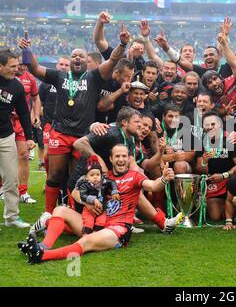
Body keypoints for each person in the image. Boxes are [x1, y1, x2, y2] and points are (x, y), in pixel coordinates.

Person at [19, 24, 132, 214]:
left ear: (87, 62)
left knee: (77, 177)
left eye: (81, 56)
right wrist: (26, 51)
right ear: (70, 60)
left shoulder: (94, 77)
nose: (77, 58)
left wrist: (122, 44)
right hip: (60, 133)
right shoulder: (59, 75)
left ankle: (74, 214)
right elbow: (35, 68)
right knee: (55, 175)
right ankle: (48, 214)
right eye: (74, 56)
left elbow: (113, 60)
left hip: (83, 137)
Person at [19, 144, 180, 264]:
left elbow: (153, 185)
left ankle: (41, 256)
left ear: (129, 158)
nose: (121, 159)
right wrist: (87, 202)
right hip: (97, 223)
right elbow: (76, 191)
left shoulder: (135, 176)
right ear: (111, 159)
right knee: (60, 210)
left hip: (117, 230)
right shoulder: (103, 177)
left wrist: (164, 178)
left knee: (85, 242)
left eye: (124, 156)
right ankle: (44, 246)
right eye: (117, 156)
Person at [0, 49, 35, 228]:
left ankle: (12, 217)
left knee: (11, 178)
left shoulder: (17, 86)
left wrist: (29, 137)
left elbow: (23, 113)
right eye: (12, 66)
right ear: (1, 66)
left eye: (18, 65)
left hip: (6, 137)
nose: (17, 69)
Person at [195, 111, 236, 221]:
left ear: (220, 124)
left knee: (229, 215)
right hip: (213, 182)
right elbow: (201, 171)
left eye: (213, 124)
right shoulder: (201, 142)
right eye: (207, 125)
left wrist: (224, 175)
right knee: (216, 217)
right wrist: (204, 162)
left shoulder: (230, 139)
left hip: (230, 180)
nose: (210, 127)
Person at [14, 56, 41, 204]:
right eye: (19, 65)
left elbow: (36, 98)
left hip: (21, 122)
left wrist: (36, 115)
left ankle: (23, 191)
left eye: (25, 65)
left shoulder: (30, 78)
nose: (22, 67)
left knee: (24, 155)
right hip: (4, 121)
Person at [76, 155, 120, 235]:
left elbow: (112, 182)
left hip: (102, 209)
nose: (95, 177)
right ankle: (86, 236)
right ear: (86, 177)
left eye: (97, 174)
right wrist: (93, 199)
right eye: (92, 175)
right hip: (89, 210)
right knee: (88, 223)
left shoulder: (104, 182)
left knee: (101, 222)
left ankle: (96, 235)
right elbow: (83, 196)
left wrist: (115, 191)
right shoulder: (84, 185)